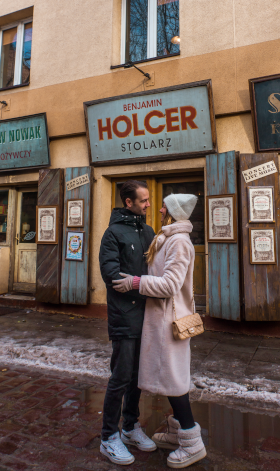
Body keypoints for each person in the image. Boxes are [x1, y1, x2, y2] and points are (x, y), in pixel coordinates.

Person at [113, 193, 206, 469]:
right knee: (171, 377)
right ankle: (179, 430)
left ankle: (192, 443)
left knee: (174, 380)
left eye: (166, 205)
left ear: (174, 211)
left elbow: (169, 285)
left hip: (169, 322)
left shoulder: (179, 242)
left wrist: (134, 282)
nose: (160, 208)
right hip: (160, 319)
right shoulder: (167, 237)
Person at [99, 179, 157, 465]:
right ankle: (109, 437)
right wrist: (140, 283)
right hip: (124, 316)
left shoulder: (148, 231)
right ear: (129, 203)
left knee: (138, 377)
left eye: (148, 200)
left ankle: (131, 427)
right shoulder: (113, 233)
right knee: (121, 377)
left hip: (148, 315)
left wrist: (137, 282)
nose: (148, 204)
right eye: (144, 200)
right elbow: (112, 274)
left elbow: (157, 269)